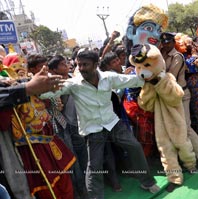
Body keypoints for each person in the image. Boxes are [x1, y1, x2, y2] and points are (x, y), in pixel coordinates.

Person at [40, 50, 160, 199]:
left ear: (96, 64)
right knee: (94, 166)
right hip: (93, 129)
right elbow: (47, 93)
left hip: (112, 123)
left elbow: (132, 80)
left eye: (85, 64)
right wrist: (35, 86)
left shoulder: (109, 78)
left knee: (135, 147)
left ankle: (147, 182)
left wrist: (155, 76)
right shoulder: (73, 83)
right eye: (79, 64)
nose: (81, 68)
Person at [0, 66, 62, 199]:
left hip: (44, 136)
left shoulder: (8, 82)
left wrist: (26, 86)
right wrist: (26, 88)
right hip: (22, 142)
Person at [160, 32, 198, 170]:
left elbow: (170, 76)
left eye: (168, 42)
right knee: (182, 127)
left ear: (174, 43)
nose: (166, 44)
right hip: (173, 96)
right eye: (163, 42)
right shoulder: (164, 55)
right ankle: (194, 158)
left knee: (187, 127)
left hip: (182, 94)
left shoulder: (178, 56)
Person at [123, 4, 168, 157]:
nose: (155, 35)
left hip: (154, 102)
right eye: (148, 29)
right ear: (131, 32)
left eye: (158, 31)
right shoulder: (131, 63)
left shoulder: (158, 58)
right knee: (143, 134)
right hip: (136, 105)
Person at [48, 55, 89, 199]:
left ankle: (87, 185)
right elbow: (59, 106)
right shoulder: (55, 85)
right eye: (62, 64)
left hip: (80, 123)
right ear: (53, 70)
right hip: (66, 125)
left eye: (66, 63)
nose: (66, 65)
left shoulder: (75, 78)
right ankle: (79, 189)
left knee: (84, 155)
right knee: (72, 158)